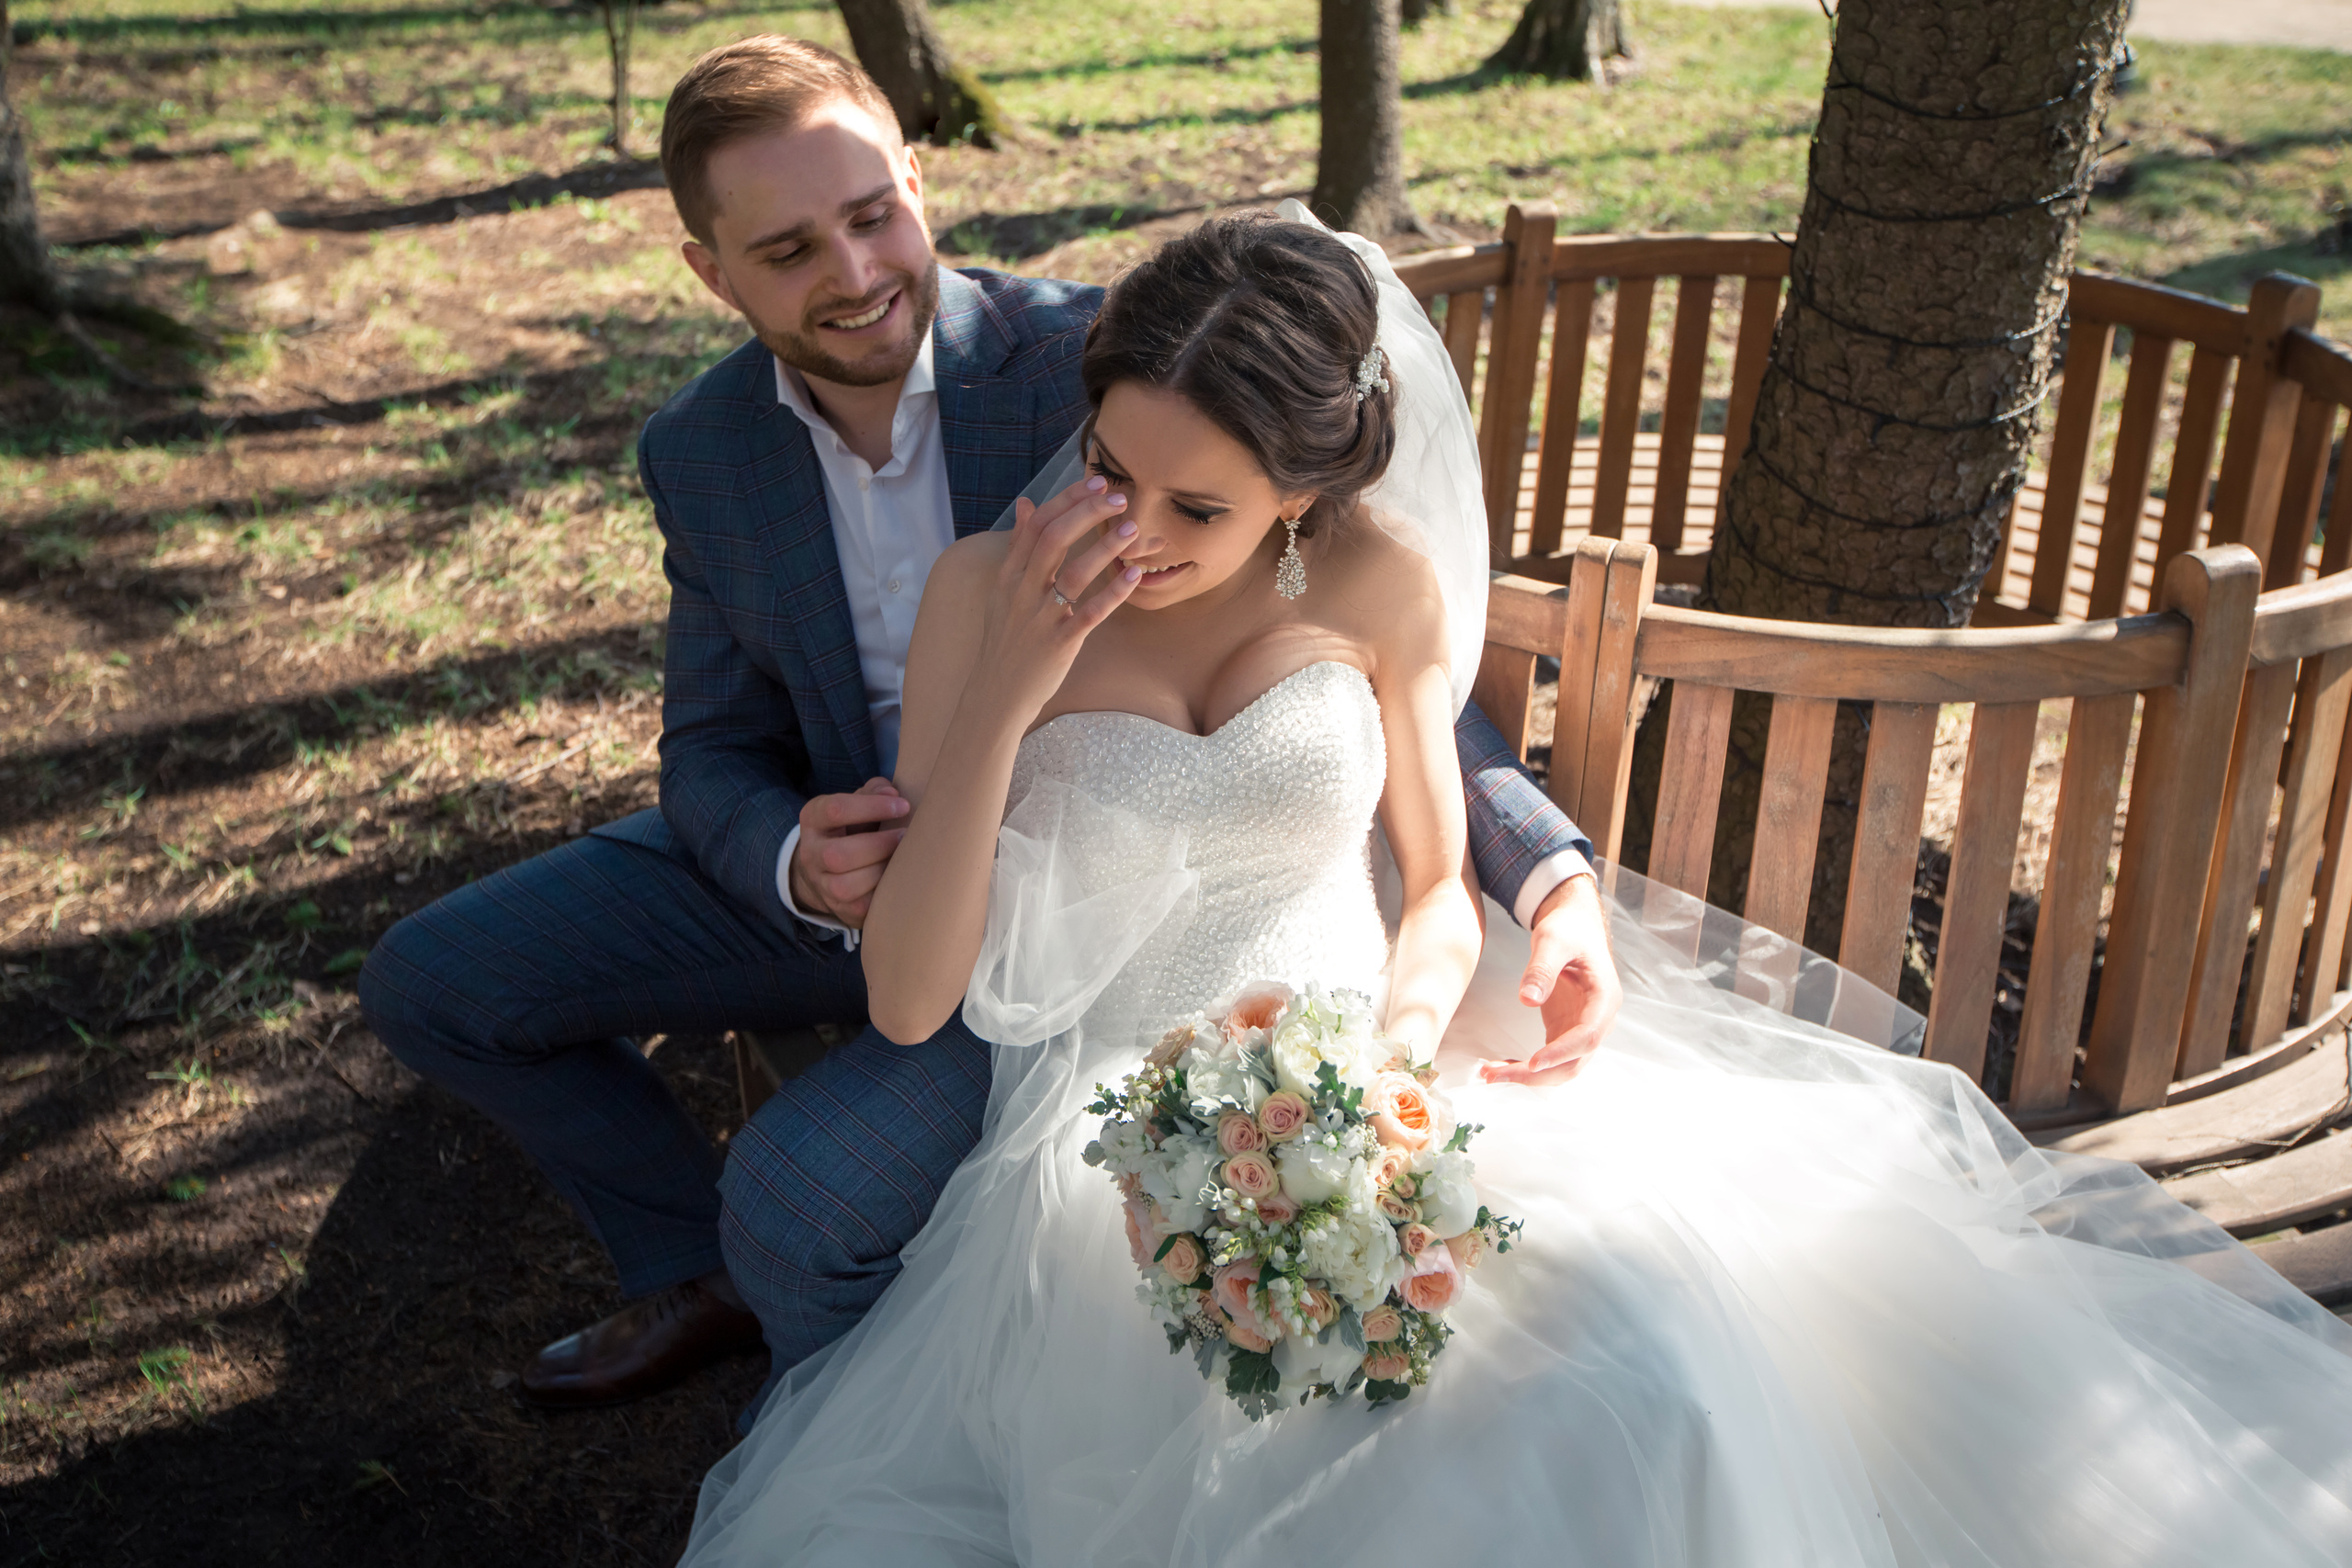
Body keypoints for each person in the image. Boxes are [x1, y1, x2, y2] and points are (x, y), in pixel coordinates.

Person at [678, 209, 2352, 1567]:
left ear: (1309, 494)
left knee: (1653, 1374)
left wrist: (1384, 1074)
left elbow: (1428, 890)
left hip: (1382, 1079)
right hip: (1108, 1129)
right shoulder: (994, 587)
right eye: (1111, 467)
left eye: (1202, 504)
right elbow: (910, 997)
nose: (1135, 525)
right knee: (1298, 1475)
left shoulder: (1380, 585)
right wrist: (1017, 688)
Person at [356, 36, 1614, 1410]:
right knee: (436, 981)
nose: (850, 274)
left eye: (870, 215)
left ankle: (873, 1333)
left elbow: (1360, 675)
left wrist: (1542, 865)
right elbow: (709, 742)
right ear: (711, 272)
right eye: (786, 250)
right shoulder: (701, 452)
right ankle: (695, 1267)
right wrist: (786, 852)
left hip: (1085, 896)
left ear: (915, 177)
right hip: (862, 864)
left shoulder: (1128, 361)